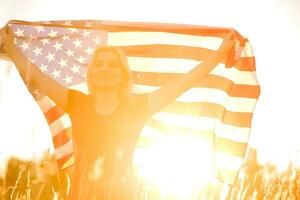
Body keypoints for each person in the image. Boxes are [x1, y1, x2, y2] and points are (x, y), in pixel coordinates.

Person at [2, 26, 234, 199]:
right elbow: (39, 78)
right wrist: (11, 48)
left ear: (123, 74)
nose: (105, 69)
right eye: (100, 64)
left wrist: (221, 52)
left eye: (112, 65)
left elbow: (185, 82)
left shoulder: (137, 107)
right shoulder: (76, 103)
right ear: (91, 73)